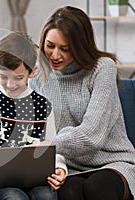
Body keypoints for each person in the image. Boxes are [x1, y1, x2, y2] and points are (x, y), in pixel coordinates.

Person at [30, 6, 135, 200]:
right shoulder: (37, 77)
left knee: (97, 188)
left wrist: (48, 144)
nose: (54, 55)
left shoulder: (102, 69)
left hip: (112, 161)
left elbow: (91, 135)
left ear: (80, 47)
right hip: (67, 166)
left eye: (65, 49)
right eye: (50, 45)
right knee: (68, 193)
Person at [0, 31, 67, 200]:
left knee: (46, 196)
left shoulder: (43, 106)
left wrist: (60, 168)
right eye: (3, 77)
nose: (10, 85)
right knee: (14, 197)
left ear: (32, 72)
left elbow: (53, 149)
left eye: (18, 78)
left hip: (35, 180)